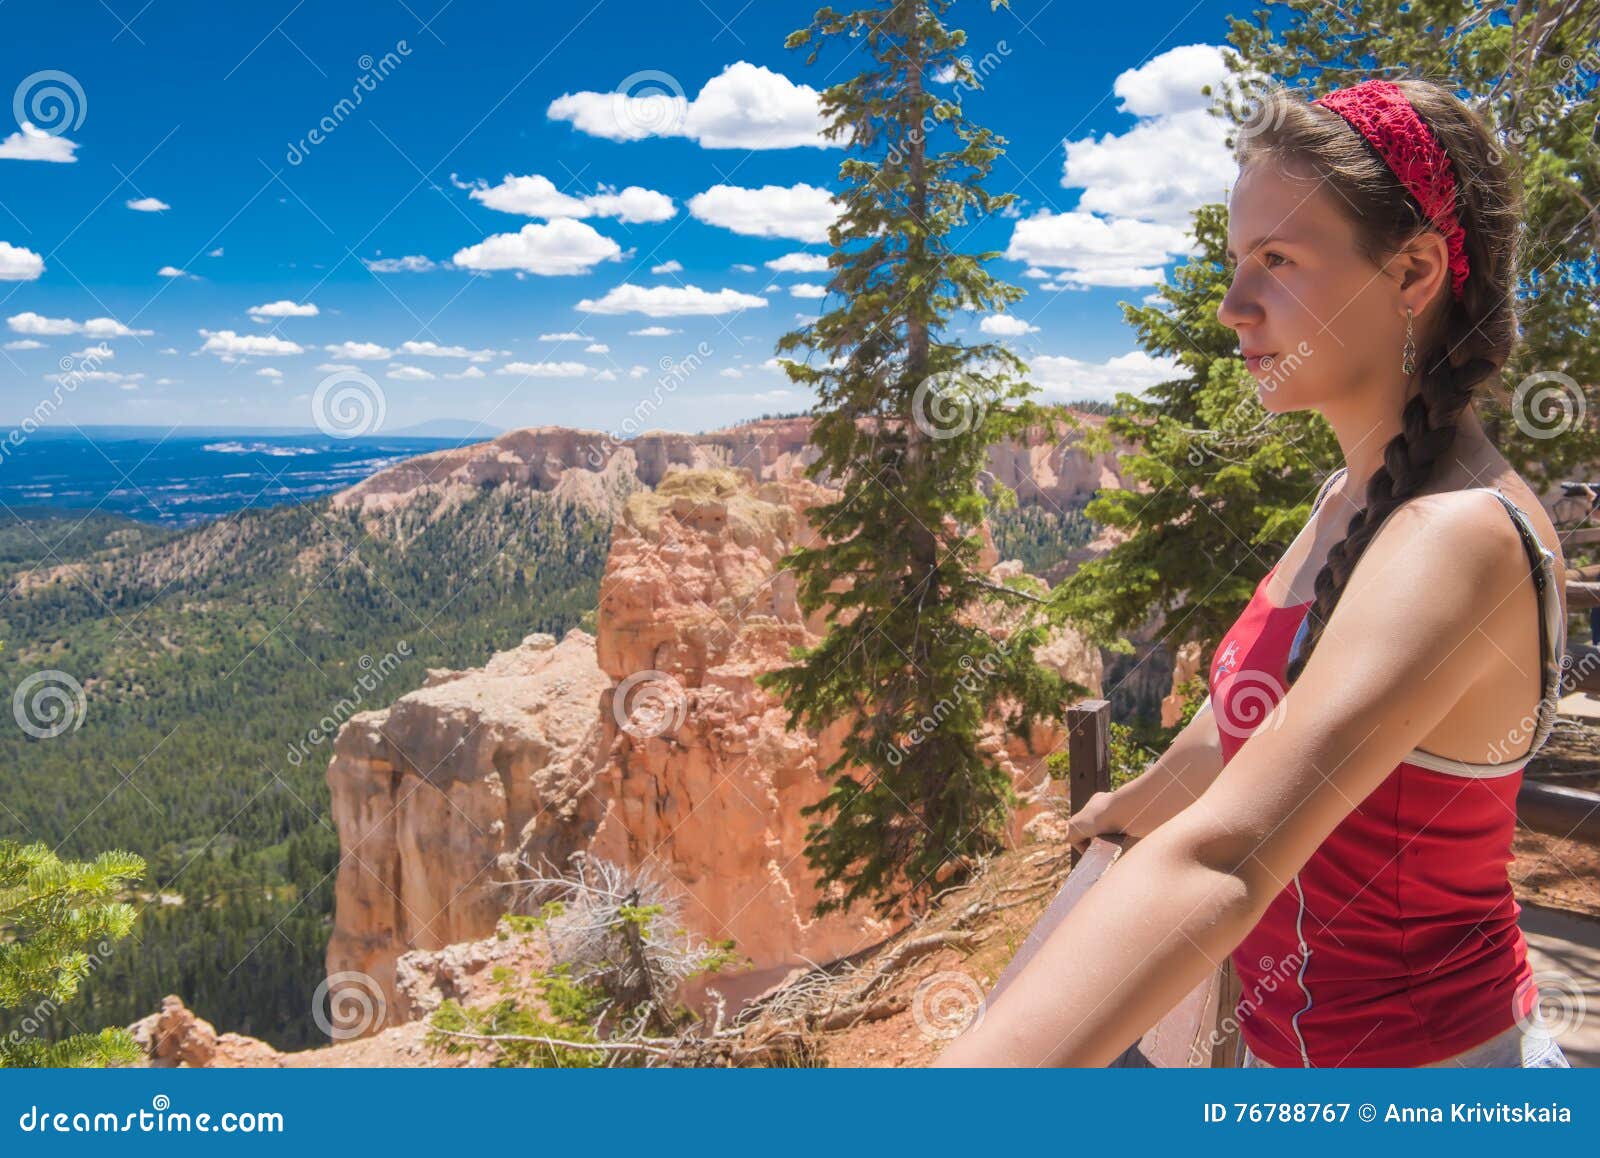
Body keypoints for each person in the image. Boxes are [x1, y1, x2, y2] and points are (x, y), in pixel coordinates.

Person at [931, 77, 1573, 1068]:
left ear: (1411, 274)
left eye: (1276, 261)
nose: (1234, 307)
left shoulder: (1460, 536)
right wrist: (1118, 811)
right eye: (1236, 262)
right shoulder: (1343, 501)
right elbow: (1232, 732)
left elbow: (1224, 855)